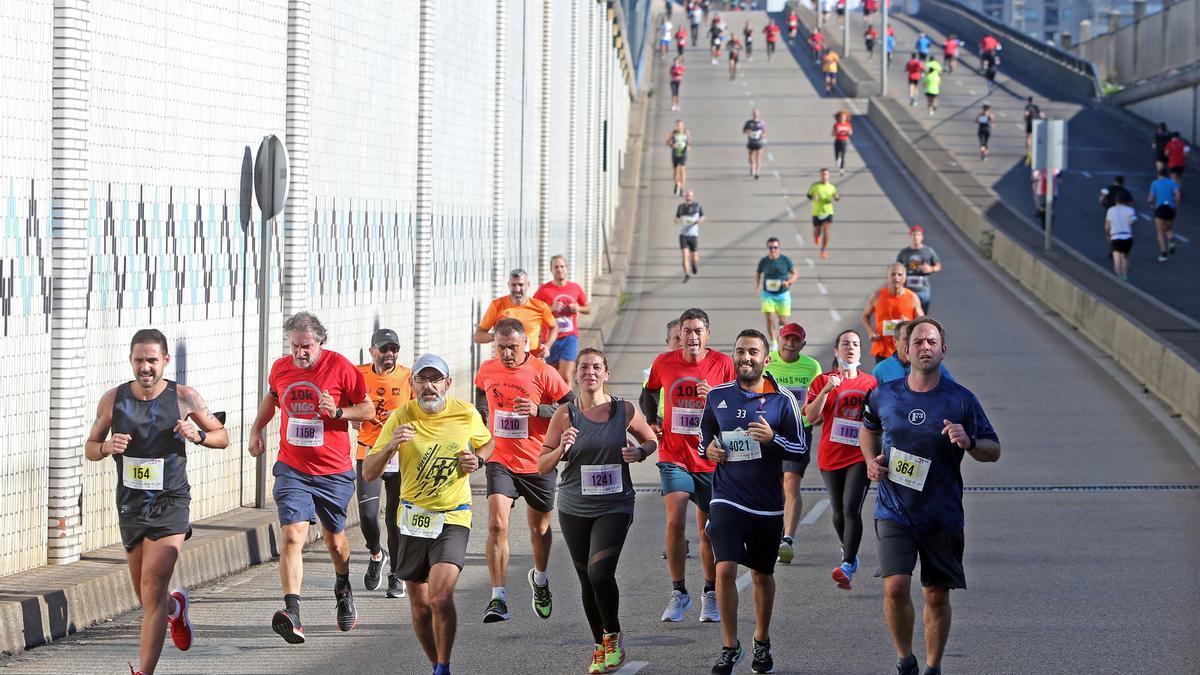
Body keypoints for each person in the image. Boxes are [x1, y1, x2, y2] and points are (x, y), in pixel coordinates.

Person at [861, 317, 1001, 675]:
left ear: (943, 350)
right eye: (918, 342)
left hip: (942, 512)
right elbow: (868, 428)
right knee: (895, 586)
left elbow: (993, 449)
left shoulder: (961, 399)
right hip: (894, 509)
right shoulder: (883, 394)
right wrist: (870, 462)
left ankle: (933, 666)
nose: (925, 347)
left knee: (936, 595)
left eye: (932, 342)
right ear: (905, 351)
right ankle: (905, 660)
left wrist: (968, 442)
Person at [85, 329, 229, 675]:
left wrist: (198, 436)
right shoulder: (113, 400)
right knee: (148, 598)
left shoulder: (184, 397)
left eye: (152, 360)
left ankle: (143, 672)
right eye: (139, 360)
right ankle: (174, 610)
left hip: (171, 502)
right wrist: (107, 447)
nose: (145, 367)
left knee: (152, 586)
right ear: (131, 361)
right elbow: (91, 446)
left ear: (165, 360)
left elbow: (222, 437)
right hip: (131, 506)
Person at [248, 311, 375, 644]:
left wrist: (338, 412)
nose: (300, 353)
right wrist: (256, 429)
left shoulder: (341, 367)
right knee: (292, 537)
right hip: (292, 468)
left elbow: (368, 409)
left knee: (335, 541)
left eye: (306, 346)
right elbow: (273, 398)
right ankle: (293, 613)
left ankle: (343, 586)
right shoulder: (281, 368)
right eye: (295, 346)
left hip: (333, 471)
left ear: (321, 342)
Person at [364, 353, 495, 675]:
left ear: (447, 384)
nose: (429, 386)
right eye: (423, 379)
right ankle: (436, 664)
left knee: (439, 595)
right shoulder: (400, 417)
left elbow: (488, 444)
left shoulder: (464, 413)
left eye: (436, 379)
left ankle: (444, 667)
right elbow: (368, 471)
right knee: (420, 607)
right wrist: (391, 446)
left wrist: (477, 460)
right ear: (413, 384)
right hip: (412, 518)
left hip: (453, 515)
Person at [539, 349, 659, 674]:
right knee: (585, 579)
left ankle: (614, 635)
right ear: (575, 375)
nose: (590, 372)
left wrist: (639, 452)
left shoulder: (624, 410)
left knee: (599, 573)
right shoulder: (564, 414)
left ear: (606, 373)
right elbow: (542, 463)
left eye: (596, 367)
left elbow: (650, 440)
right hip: (574, 505)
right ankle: (599, 645)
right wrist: (562, 447)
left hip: (615, 503)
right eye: (583, 368)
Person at [701, 330, 807, 675]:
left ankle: (761, 640)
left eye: (753, 352)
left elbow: (800, 448)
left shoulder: (783, 400)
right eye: (740, 351)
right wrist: (711, 451)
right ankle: (729, 646)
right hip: (727, 497)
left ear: (766, 359)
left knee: (762, 575)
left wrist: (773, 439)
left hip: (767, 503)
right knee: (725, 568)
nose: (745, 357)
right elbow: (705, 442)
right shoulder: (717, 396)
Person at [474, 318, 575, 623]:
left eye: (512, 347)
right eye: (501, 347)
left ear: (526, 344)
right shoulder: (487, 369)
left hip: (537, 460)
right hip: (500, 459)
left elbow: (573, 408)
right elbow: (481, 394)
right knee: (496, 524)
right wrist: (483, 422)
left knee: (539, 530)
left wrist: (539, 411)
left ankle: (540, 580)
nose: (507, 354)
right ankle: (498, 598)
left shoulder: (545, 372)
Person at [642, 308, 736, 624]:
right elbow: (649, 392)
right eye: (687, 330)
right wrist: (653, 421)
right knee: (674, 520)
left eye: (698, 330)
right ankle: (679, 592)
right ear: (679, 334)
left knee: (707, 531)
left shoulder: (723, 364)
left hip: (709, 458)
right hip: (673, 455)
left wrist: (716, 397)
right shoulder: (664, 362)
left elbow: (738, 405)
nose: (692, 336)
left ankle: (709, 593)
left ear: (707, 334)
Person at [804, 329, 877, 590]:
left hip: (860, 454)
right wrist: (825, 390)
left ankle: (846, 564)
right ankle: (850, 550)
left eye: (856, 344)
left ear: (860, 350)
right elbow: (811, 418)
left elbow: (880, 419)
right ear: (836, 350)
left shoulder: (870, 383)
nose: (851, 347)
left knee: (850, 508)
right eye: (845, 343)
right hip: (831, 454)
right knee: (837, 512)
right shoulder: (823, 380)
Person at [354, 328, 413, 598]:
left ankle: (396, 575)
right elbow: (345, 404)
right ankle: (377, 554)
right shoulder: (358, 374)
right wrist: (352, 417)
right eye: (384, 349)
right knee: (367, 515)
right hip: (369, 451)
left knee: (395, 519)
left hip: (401, 455)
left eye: (394, 350)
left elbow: (420, 413)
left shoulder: (408, 377)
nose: (389, 355)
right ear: (372, 351)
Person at [764, 323, 822, 565]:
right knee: (772, 484)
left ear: (803, 344)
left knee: (791, 482)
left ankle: (787, 538)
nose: (790, 343)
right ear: (778, 339)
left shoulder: (812, 367)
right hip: (769, 431)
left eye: (795, 340)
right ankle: (772, 532)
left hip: (798, 431)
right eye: (786, 338)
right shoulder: (767, 363)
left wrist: (817, 414)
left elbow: (819, 397)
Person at [474, 268, 558, 360]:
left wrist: (547, 346)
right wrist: (498, 336)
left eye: (521, 284)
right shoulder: (497, 305)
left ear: (528, 285)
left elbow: (554, 327)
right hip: (505, 361)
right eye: (514, 285)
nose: (517, 289)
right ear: (509, 285)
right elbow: (478, 336)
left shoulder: (540, 306)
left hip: (532, 361)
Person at [535, 255, 591, 383]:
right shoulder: (544, 290)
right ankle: (555, 403)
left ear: (567, 268)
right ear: (551, 270)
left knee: (566, 376)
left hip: (569, 337)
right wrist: (550, 309)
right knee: (552, 378)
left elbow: (588, 308)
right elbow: (534, 312)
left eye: (562, 266)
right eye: (556, 267)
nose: (559, 269)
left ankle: (569, 403)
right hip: (549, 339)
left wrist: (578, 308)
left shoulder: (575, 288)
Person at [861, 263, 924, 364]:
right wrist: (870, 332)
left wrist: (909, 324)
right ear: (887, 277)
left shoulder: (912, 297)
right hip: (883, 349)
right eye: (893, 274)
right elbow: (864, 316)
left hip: (905, 350)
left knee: (905, 380)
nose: (896, 277)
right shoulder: (878, 295)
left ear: (905, 277)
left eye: (899, 274)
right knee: (883, 379)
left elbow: (922, 321)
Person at [872, 321, 956, 385]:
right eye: (906, 339)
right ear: (895, 342)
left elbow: (953, 391)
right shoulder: (881, 370)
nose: (910, 343)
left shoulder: (934, 366)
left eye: (915, 340)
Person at [755, 237, 797, 345]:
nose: (773, 249)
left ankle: (782, 333)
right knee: (770, 319)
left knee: (782, 320)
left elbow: (795, 273)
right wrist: (757, 286)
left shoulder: (785, 260)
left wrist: (789, 282)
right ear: (767, 248)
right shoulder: (764, 261)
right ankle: (774, 342)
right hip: (768, 294)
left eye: (775, 247)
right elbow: (758, 273)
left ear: (779, 248)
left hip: (783, 294)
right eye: (770, 247)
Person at [895, 226, 941, 314]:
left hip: (923, 289)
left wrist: (931, 268)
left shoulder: (928, 251)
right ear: (910, 236)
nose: (916, 237)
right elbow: (897, 267)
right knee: (907, 314)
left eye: (918, 234)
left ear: (922, 237)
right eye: (914, 234)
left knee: (922, 315)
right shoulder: (904, 252)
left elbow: (938, 266)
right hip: (907, 289)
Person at [1147, 168, 1182, 261]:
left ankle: (1163, 253)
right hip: (1170, 208)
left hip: (1160, 209)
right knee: (1168, 228)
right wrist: (1177, 206)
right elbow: (1178, 195)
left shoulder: (1154, 183)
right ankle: (1171, 241)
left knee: (1160, 232)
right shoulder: (1172, 183)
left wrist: (1151, 204)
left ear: (1158, 174)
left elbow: (1150, 198)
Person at [807, 168, 839, 259]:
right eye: (822, 174)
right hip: (817, 212)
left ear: (828, 176)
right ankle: (816, 236)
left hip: (828, 211)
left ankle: (823, 250)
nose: (824, 176)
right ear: (820, 176)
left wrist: (837, 197)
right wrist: (814, 198)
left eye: (826, 174)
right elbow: (809, 196)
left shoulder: (832, 187)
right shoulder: (815, 186)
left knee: (826, 231)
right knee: (817, 232)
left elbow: (836, 196)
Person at [1105, 191, 1137, 281]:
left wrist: (1108, 235)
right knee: (1125, 258)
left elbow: (1107, 225)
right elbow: (1133, 221)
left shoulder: (1111, 210)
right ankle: (1125, 275)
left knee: (1117, 260)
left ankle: (1119, 278)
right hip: (1127, 236)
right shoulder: (1130, 210)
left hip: (1115, 236)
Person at [676, 190, 705, 283]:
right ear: (685, 197)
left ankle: (693, 264)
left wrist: (699, 221)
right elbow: (676, 218)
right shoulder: (681, 207)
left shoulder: (697, 206)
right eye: (687, 196)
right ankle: (686, 274)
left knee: (694, 256)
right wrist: (678, 221)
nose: (688, 197)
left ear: (692, 197)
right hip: (683, 235)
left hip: (693, 235)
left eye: (690, 196)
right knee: (684, 255)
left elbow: (703, 217)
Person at [667, 119, 692, 195]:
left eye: (680, 125)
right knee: (675, 171)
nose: (679, 127)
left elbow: (689, 142)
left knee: (682, 169)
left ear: (683, 125)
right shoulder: (673, 133)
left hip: (683, 152)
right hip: (675, 152)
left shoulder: (686, 132)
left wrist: (688, 146)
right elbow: (667, 141)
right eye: (677, 125)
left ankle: (681, 187)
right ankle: (677, 184)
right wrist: (672, 145)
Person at [743, 109, 766, 178]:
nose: (755, 114)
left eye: (756, 113)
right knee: (750, 156)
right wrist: (748, 132)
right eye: (754, 113)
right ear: (752, 114)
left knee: (758, 157)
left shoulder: (761, 122)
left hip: (758, 142)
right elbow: (744, 131)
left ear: (759, 114)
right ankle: (752, 166)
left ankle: (757, 172)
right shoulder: (748, 123)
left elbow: (764, 132)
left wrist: (763, 135)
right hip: (751, 142)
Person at [833, 111, 853, 176]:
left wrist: (849, 132)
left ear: (846, 118)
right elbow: (833, 133)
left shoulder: (848, 124)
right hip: (837, 141)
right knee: (837, 156)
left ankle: (841, 170)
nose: (842, 118)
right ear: (838, 118)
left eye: (843, 117)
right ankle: (838, 164)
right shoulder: (836, 125)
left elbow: (851, 132)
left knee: (842, 155)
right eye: (841, 117)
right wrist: (836, 132)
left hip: (844, 141)